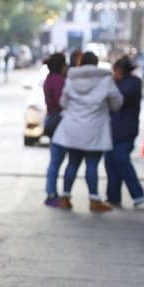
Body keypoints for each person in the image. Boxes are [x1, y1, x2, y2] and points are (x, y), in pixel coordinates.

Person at [50, 51, 122, 213]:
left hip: (73, 128)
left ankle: (65, 198)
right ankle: (94, 200)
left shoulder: (72, 78)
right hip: (95, 129)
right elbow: (117, 103)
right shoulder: (105, 79)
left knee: (73, 163)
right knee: (92, 164)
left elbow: (63, 103)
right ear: (96, 63)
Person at [105, 56, 144, 208]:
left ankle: (137, 193)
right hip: (113, 129)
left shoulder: (132, 83)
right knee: (111, 162)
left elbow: (119, 99)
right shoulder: (120, 83)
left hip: (125, 129)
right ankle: (113, 196)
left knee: (121, 160)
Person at [41, 52, 68, 206]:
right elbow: (61, 102)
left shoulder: (49, 78)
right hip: (58, 120)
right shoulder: (58, 80)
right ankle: (52, 194)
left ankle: (52, 193)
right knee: (56, 161)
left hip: (52, 118)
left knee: (55, 160)